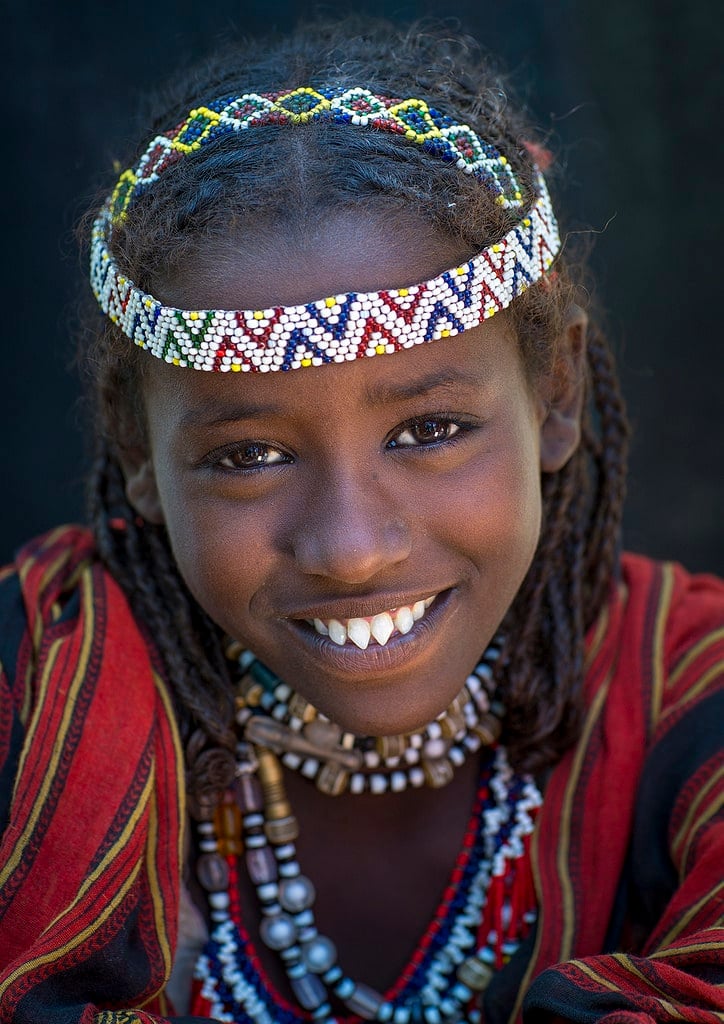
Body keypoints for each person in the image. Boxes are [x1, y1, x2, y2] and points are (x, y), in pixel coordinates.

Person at [0, 17, 722, 1024]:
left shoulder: (694, 699)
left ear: (553, 393)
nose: (349, 547)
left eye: (430, 428)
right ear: (138, 455)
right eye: (247, 454)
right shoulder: (38, 691)